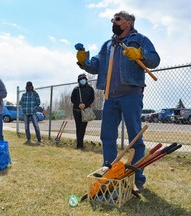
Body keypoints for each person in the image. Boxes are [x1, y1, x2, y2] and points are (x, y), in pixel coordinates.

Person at [76, 11, 160, 192]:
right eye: (112, 19)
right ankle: (110, 176)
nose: (113, 22)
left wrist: (140, 54)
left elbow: (155, 60)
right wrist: (83, 61)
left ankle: (137, 179)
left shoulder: (139, 39)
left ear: (128, 23)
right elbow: (95, 66)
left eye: (117, 19)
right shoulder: (108, 44)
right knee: (107, 136)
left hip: (131, 94)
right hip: (110, 97)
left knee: (135, 137)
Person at [71, 74, 95, 150]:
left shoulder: (90, 89)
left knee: (83, 127)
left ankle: (80, 144)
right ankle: (79, 145)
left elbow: (92, 99)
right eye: (80, 79)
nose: (82, 80)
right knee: (78, 127)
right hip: (76, 110)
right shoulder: (76, 89)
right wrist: (79, 104)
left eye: (83, 79)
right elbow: (72, 99)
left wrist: (85, 104)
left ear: (86, 80)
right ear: (78, 81)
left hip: (85, 111)